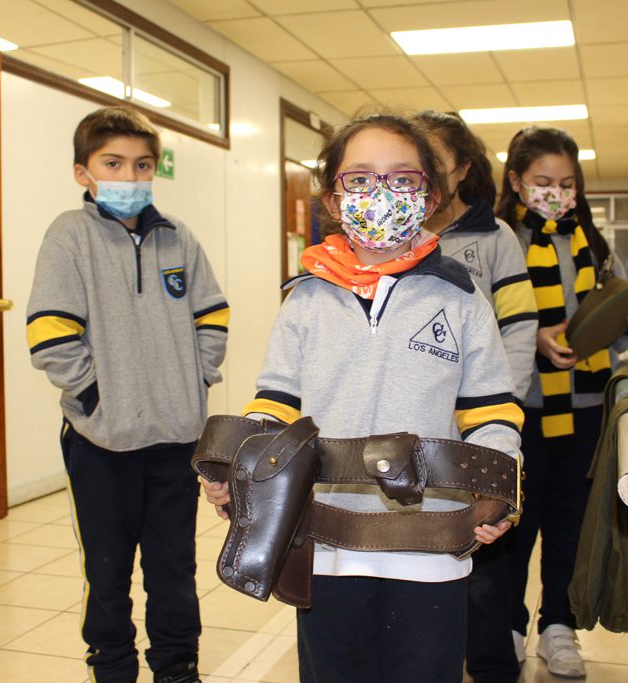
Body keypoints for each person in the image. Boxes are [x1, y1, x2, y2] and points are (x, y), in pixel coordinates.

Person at [203, 112, 523, 683]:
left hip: (431, 543)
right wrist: (237, 463)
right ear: (333, 199)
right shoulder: (305, 299)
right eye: (360, 178)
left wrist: (500, 486)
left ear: (430, 198)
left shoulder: (461, 298)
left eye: (402, 178)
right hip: (326, 539)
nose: (381, 193)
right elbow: (275, 402)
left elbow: (492, 413)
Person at [26, 106, 229, 683]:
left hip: (174, 440)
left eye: (142, 165)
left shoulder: (178, 237)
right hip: (100, 442)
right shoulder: (69, 236)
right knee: (107, 573)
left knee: (174, 568)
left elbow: (213, 316)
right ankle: (112, 667)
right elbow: (50, 333)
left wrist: (192, 383)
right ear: (82, 172)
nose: (129, 176)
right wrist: (95, 399)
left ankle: (177, 667)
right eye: (112, 163)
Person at [481, 126, 628, 680]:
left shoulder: (591, 243)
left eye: (566, 183)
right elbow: (480, 322)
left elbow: (599, 326)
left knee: (570, 523)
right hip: (521, 407)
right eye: (542, 181)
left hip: (585, 405)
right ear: (515, 181)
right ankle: (509, 625)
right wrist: (530, 336)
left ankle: (559, 624)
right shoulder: (499, 239)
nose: (555, 193)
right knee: (515, 522)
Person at [415, 111, 537, 403]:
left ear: (462, 169)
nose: (427, 180)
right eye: (417, 167)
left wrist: (506, 406)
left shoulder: (496, 236)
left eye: (436, 166)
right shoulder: (396, 238)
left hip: (478, 402)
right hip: (414, 402)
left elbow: (519, 328)